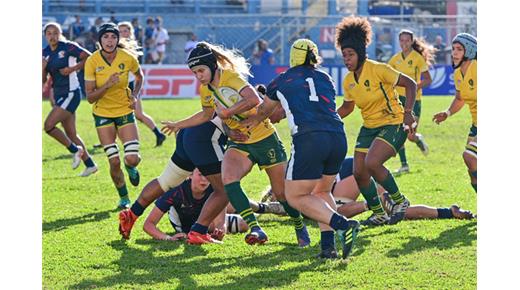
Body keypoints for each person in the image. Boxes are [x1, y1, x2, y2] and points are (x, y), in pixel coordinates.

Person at [161, 42, 309, 246]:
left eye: (201, 70)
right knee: (228, 181)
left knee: (282, 194)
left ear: (213, 66)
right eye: (195, 73)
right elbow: (206, 114)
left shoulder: (231, 77)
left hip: (265, 138)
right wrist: (179, 124)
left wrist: (227, 113)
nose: (199, 76)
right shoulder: (206, 88)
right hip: (240, 142)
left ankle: (300, 227)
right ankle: (256, 228)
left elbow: (254, 99)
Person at [242, 38, 360, 259]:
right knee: (322, 191)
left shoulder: (281, 80)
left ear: (292, 56)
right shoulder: (325, 77)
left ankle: (342, 224)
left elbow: (264, 111)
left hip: (309, 139)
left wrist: (248, 123)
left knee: (294, 196)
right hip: (337, 136)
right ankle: (328, 248)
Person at [335, 16, 418, 226]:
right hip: (369, 127)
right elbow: (347, 107)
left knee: (372, 163)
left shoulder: (379, 69)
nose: (347, 59)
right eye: (344, 55)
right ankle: (379, 213)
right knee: (359, 172)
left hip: (394, 122)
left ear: (361, 53)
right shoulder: (348, 81)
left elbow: (410, 84)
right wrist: (328, 118)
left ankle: (400, 201)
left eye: (351, 54)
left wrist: (408, 112)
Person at [84, 23, 144, 208]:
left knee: (132, 158)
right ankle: (124, 197)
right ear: (99, 40)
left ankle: (131, 166)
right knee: (114, 160)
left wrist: (134, 95)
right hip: (102, 114)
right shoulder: (92, 61)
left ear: (118, 39)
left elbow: (139, 76)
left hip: (124, 110)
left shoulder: (127, 57)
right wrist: (107, 85)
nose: (110, 41)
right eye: (106, 37)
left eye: (113, 37)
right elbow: (90, 97)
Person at [143, 168, 284, 241]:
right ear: (190, 175)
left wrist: (220, 229)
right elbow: (148, 224)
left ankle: (266, 207)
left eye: (208, 176)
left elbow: (220, 222)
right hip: (188, 225)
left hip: (209, 214)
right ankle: (263, 208)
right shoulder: (175, 191)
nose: (204, 180)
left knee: (231, 199)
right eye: (200, 175)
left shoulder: (214, 187)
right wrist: (168, 238)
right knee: (243, 224)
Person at [332, 157, 475, 220]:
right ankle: (449, 212)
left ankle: (373, 204)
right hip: (362, 167)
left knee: (335, 213)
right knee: (397, 212)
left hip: (349, 171)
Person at [42, 22, 98, 177]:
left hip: (72, 93)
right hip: (60, 95)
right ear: (45, 35)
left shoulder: (68, 46)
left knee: (48, 126)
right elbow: (43, 80)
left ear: (60, 33)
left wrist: (72, 69)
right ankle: (90, 165)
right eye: (49, 33)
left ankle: (75, 150)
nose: (52, 36)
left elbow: (89, 58)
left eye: (55, 33)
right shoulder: (45, 53)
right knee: (71, 134)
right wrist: (42, 67)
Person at [433, 33, 477, 193]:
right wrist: (447, 113)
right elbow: (460, 99)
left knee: (470, 157)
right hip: (476, 126)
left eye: (459, 49)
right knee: (473, 172)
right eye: (453, 49)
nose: (454, 53)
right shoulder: (458, 73)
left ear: (470, 51)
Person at [388, 29, 435, 175]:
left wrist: (412, 87)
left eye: (407, 40)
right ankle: (404, 165)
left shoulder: (418, 58)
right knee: (399, 131)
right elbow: (387, 77)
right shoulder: (394, 59)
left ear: (411, 41)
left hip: (414, 100)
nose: (404, 43)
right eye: (401, 40)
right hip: (398, 100)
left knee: (410, 135)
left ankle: (418, 139)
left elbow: (428, 80)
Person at [118, 21, 167, 147]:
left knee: (138, 114)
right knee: (119, 113)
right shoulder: (117, 46)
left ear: (130, 32)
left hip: (130, 84)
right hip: (124, 83)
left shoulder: (129, 46)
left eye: (125, 31)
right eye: (120, 31)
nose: (123, 33)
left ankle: (158, 134)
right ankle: (109, 140)